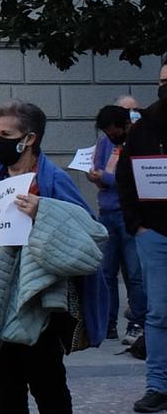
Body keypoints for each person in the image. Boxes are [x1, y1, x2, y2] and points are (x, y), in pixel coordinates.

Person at [0, 101, 105, 414]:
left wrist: (44, 211)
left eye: (6, 137)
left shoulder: (53, 181)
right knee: (6, 382)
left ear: (29, 139)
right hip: (1, 293)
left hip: (44, 297)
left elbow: (90, 232)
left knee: (48, 382)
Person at [118, 61, 167, 414]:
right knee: (159, 313)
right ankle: (158, 385)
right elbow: (125, 177)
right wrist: (137, 223)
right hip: (155, 233)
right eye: (163, 80)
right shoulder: (144, 127)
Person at [88, 105, 144, 353]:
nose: (111, 135)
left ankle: (137, 322)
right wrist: (95, 176)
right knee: (106, 273)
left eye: (114, 131)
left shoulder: (136, 141)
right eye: (107, 132)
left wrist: (106, 178)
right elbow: (100, 169)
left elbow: (129, 177)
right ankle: (108, 324)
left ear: (123, 126)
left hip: (128, 213)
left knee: (134, 274)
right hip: (107, 212)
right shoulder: (103, 144)